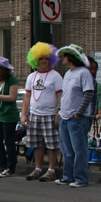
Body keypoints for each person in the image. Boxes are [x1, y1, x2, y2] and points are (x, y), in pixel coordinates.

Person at [21, 43, 64, 182]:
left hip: (50, 114)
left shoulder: (55, 76)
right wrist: (24, 114)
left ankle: (51, 170)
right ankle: (38, 168)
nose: (43, 61)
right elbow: (27, 96)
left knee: (52, 144)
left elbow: (60, 96)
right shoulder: (31, 77)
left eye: (46, 58)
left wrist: (58, 113)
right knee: (37, 143)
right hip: (35, 114)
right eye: (41, 58)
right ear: (35, 60)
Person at [55, 44, 94, 188]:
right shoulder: (67, 74)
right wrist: (59, 110)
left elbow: (88, 93)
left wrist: (79, 112)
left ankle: (81, 178)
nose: (63, 59)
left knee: (79, 149)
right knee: (67, 149)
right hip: (65, 116)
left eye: (65, 56)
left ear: (71, 58)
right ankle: (67, 176)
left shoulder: (84, 73)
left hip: (76, 117)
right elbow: (65, 94)